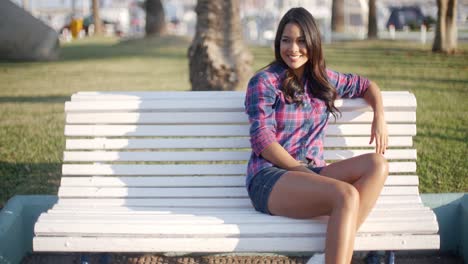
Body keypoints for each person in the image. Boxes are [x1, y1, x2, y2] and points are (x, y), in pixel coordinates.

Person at [244, 7, 389, 264]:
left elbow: (366, 86)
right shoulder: (264, 82)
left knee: (378, 164)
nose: (293, 48)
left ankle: (327, 257)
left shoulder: (323, 79)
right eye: (286, 40)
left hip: (314, 173)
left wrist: (379, 114)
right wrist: (302, 171)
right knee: (346, 195)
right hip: (270, 177)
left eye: (301, 41)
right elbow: (262, 140)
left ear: (313, 42)